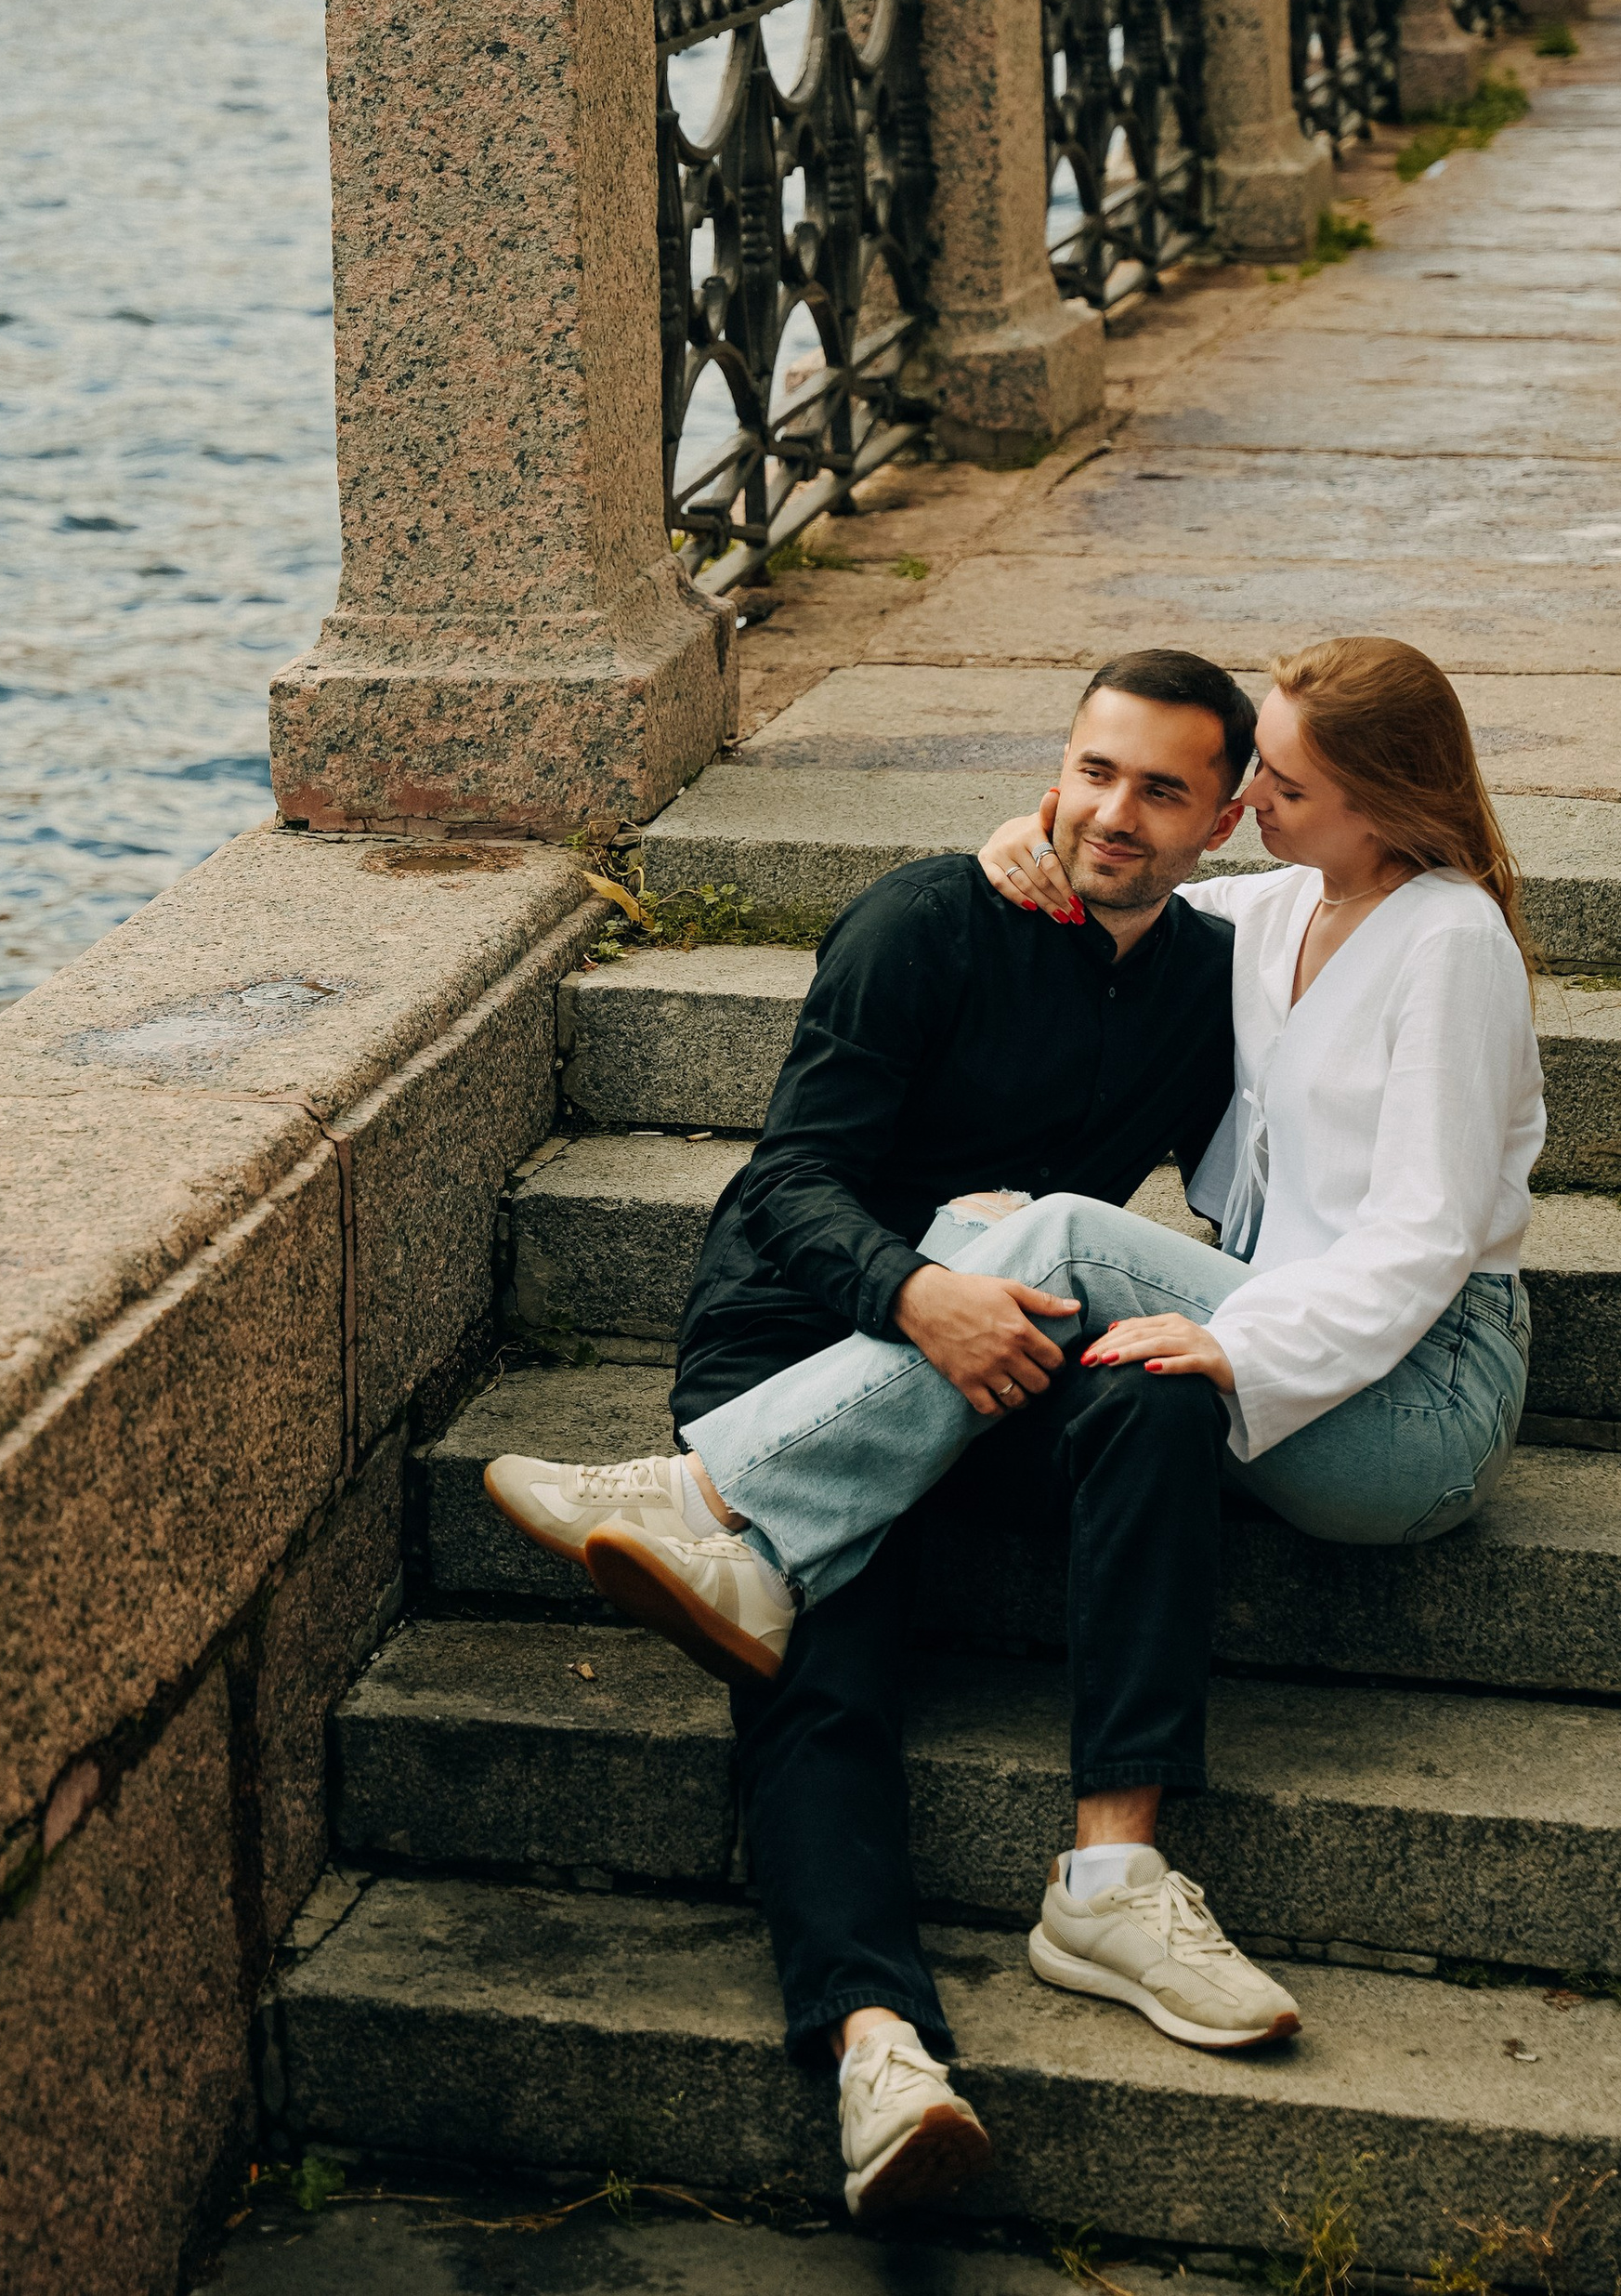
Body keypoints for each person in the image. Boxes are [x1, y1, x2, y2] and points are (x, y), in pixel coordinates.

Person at [497, 639, 1543, 2212]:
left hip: (1301, 1367)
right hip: (815, 1336)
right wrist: (921, 1288)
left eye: (1201, 788)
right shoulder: (969, 921)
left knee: (1128, 1345)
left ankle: (733, 1522)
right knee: (825, 1664)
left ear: (1248, 815)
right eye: (1093, 773)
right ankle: (879, 2045)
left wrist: (1221, 1333)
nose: (1125, 813)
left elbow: (1414, 1228)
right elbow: (788, 1182)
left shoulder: (1337, 945)